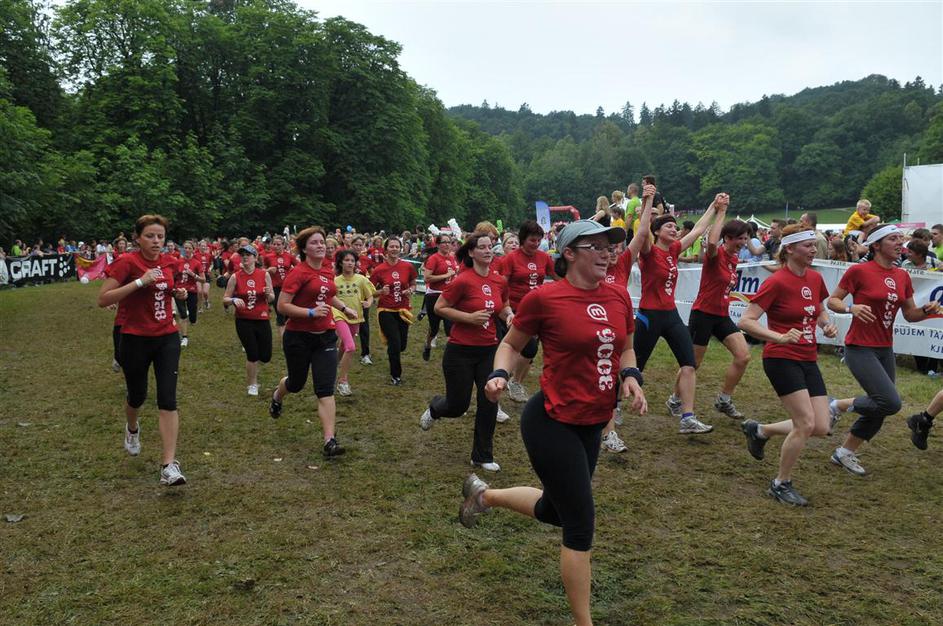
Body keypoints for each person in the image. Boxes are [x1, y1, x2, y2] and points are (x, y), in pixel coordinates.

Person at [460, 219, 646, 626]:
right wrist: (499, 374)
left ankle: (484, 496)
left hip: (593, 421)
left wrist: (631, 376)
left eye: (609, 247)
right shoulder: (545, 298)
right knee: (579, 525)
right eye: (596, 246)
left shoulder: (618, 295)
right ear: (569, 253)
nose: (607, 254)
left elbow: (627, 348)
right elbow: (510, 344)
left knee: (555, 510)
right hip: (551, 420)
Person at [825, 225, 941, 475]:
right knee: (890, 402)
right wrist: (851, 308)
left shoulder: (902, 275)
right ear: (876, 245)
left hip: (885, 348)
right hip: (859, 347)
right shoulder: (859, 271)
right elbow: (832, 301)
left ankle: (844, 452)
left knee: (881, 405)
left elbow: (910, 315)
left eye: (901, 239)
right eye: (893, 239)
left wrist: (926, 311)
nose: (900, 243)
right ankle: (836, 405)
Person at [737, 225, 839, 506]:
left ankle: (761, 430)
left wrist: (826, 325)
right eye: (808, 245)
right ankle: (780, 483)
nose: (813, 250)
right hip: (781, 358)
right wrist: (778, 337)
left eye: (814, 245)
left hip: (808, 357)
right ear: (790, 249)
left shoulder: (815, 278)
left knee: (821, 426)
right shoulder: (777, 282)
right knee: (805, 423)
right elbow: (745, 321)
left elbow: (819, 309)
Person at [97, 214, 189, 486]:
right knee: (137, 396)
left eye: (160, 236)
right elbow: (103, 299)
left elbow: (168, 288)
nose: (156, 241)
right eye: (150, 236)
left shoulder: (170, 261)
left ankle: (169, 465)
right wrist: (140, 282)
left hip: (167, 337)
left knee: (168, 399)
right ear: (137, 238)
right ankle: (132, 428)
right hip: (135, 338)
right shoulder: (127, 262)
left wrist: (178, 293)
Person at [419, 232, 512, 470]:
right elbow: (440, 307)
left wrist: (510, 315)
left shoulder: (499, 280)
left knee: (489, 400)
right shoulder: (462, 280)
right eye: (482, 247)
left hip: (489, 349)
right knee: (458, 405)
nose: (488, 251)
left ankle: (482, 456)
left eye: (490, 246)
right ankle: (435, 408)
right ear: (471, 252)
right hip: (460, 351)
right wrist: (468, 318)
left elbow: (502, 306)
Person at [634, 186, 718, 434]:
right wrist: (648, 199)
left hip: (671, 316)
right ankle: (614, 405)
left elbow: (699, 229)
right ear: (657, 232)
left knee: (689, 364)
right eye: (668, 226)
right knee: (635, 368)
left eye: (675, 226)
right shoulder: (649, 252)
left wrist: (714, 206)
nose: (674, 229)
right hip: (649, 316)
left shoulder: (673, 250)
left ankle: (687, 417)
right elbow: (642, 231)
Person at [270, 226, 359, 457]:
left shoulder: (328, 269)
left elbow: (328, 294)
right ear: (304, 249)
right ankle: (278, 396)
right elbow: (282, 306)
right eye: (314, 243)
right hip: (298, 338)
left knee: (325, 389)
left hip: (325, 337)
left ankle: (330, 440)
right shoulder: (298, 273)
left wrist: (344, 308)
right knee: (296, 384)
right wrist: (309, 313)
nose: (320, 246)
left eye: (322, 242)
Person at [687, 208, 752, 419]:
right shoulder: (715, 255)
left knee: (743, 356)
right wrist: (721, 211)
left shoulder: (734, 259)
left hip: (722, 315)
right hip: (703, 313)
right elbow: (713, 243)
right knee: (693, 364)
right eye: (740, 238)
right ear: (728, 238)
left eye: (746, 238)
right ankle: (676, 400)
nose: (744, 242)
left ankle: (724, 400)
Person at [500, 220, 556, 402]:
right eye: (532, 240)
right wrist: (506, 310)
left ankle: (514, 382)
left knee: (529, 351)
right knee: (524, 347)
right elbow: (501, 286)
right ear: (523, 239)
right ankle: (503, 379)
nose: (536, 243)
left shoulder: (544, 257)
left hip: (536, 310)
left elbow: (558, 277)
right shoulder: (511, 259)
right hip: (514, 310)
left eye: (539, 240)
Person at [224, 246, 275, 396]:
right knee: (252, 354)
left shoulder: (264, 274)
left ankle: (255, 366)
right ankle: (252, 384)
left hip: (262, 318)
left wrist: (268, 294)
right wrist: (233, 300)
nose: (245, 257)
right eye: (242, 255)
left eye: (248, 254)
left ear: (255, 257)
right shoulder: (235, 277)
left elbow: (272, 297)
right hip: (243, 320)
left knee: (265, 356)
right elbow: (225, 298)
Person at [370, 237, 418, 385]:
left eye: (397, 246)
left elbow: (413, 283)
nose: (394, 249)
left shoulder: (407, 266)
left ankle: (393, 351)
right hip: (386, 310)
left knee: (401, 345)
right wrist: (380, 292)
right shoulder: (379, 269)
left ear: (401, 249)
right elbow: (369, 291)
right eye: (391, 246)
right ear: (386, 249)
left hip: (403, 309)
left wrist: (410, 290)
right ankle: (396, 376)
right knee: (395, 343)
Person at [332, 250, 375, 396]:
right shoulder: (335, 281)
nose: (350, 263)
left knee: (343, 346)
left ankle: (332, 367)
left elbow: (370, 295)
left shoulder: (361, 279)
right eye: (347, 260)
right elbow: (330, 298)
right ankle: (342, 382)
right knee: (350, 347)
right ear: (340, 263)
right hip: (339, 315)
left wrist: (368, 303)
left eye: (352, 260)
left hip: (356, 316)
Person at [421, 233, 460, 361]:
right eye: (444, 242)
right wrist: (445, 275)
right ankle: (427, 345)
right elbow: (427, 278)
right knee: (434, 328)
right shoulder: (434, 258)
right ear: (437, 244)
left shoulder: (453, 258)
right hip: (434, 295)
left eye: (449, 242)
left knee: (450, 326)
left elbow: (454, 275)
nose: (447, 244)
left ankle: (451, 357)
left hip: (449, 296)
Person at [263, 235, 299, 338]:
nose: (276, 246)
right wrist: (268, 270)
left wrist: (292, 273)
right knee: (280, 312)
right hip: (275, 288)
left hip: (288, 288)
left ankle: (290, 333)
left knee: (289, 312)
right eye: (274, 244)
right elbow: (262, 272)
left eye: (279, 244)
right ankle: (284, 339)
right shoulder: (268, 257)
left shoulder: (289, 256)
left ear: (283, 245)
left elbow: (299, 267)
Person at [173, 241, 205, 347]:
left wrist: (193, 275)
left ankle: (192, 317)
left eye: (189, 248)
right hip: (179, 290)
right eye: (185, 248)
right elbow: (172, 276)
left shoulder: (197, 263)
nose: (186, 250)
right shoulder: (178, 262)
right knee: (182, 314)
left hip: (192, 291)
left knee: (193, 317)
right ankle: (184, 337)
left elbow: (203, 280)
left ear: (193, 250)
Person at [351, 235, 376, 365]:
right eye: (356, 245)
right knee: (345, 322)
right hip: (347, 295)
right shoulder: (345, 258)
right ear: (351, 245)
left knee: (364, 324)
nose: (358, 247)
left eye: (360, 245)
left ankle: (365, 353)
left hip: (362, 297)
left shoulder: (366, 259)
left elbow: (373, 274)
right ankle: (342, 348)